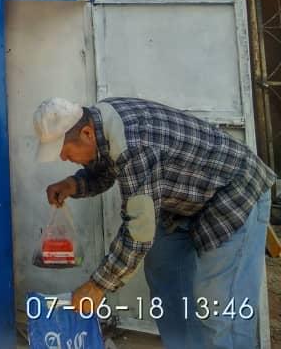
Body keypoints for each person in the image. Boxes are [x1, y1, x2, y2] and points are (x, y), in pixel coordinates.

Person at [34, 96, 274, 348]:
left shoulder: (134, 144)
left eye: (66, 152)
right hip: (183, 203)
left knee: (220, 306)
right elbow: (108, 167)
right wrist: (74, 184)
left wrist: (97, 287)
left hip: (235, 193)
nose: (64, 159)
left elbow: (138, 235)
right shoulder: (102, 123)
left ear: (86, 133)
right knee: (166, 281)